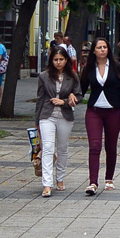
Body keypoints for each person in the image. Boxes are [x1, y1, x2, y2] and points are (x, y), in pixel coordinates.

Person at [80, 38, 120, 195]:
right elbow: (81, 89)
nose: (102, 50)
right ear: (94, 51)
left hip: (113, 111)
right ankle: (92, 182)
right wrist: (71, 98)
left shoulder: (117, 67)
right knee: (95, 145)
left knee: (110, 146)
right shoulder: (89, 68)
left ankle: (109, 178)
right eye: (99, 47)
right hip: (94, 111)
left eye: (104, 47)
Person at [35, 46, 80, 198]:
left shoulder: (72, 76)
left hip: (65, 115)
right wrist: (36, 121)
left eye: (61, 59)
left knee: (62, 148)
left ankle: (60, 178)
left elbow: (79, 96)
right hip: (47, 115)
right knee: (47, 147)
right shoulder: (44, 76)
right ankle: (47, 184)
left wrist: (66, 101)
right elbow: (40, 98)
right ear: (51, 60)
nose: (58, 62)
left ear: (66, 60)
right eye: (55, 60)